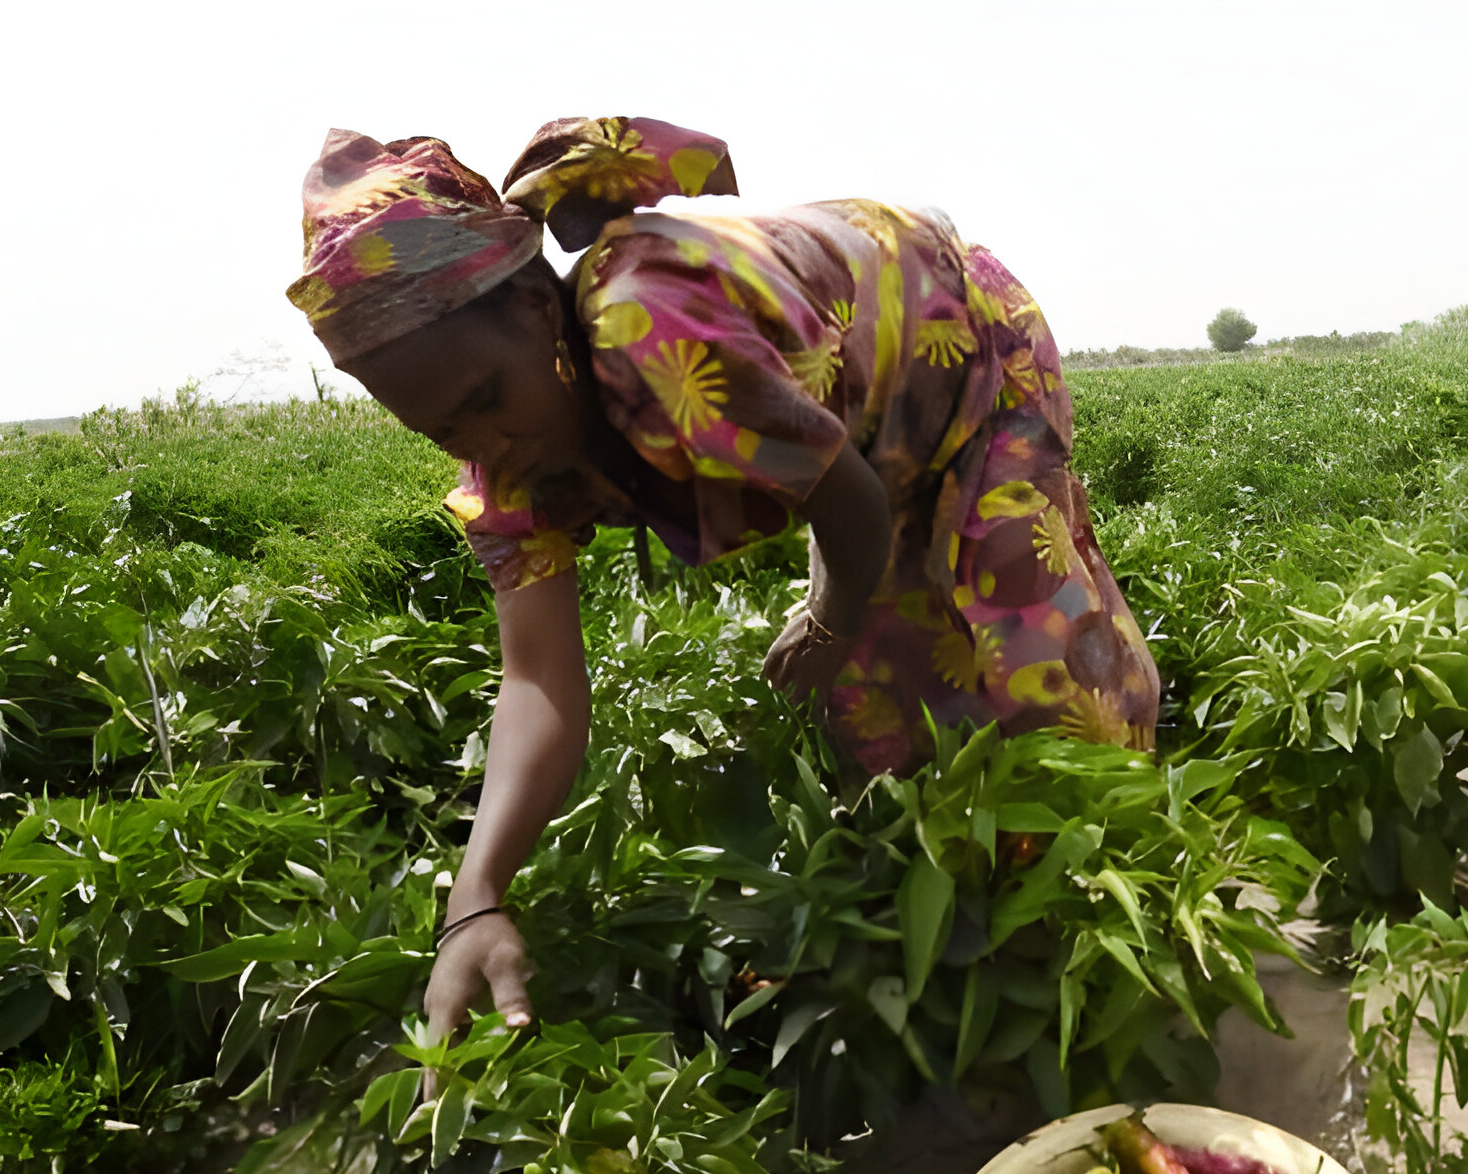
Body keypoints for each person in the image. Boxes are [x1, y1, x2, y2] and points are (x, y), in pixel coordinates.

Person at [287, 117, 1161, 1041]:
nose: (487, 444)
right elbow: (537, 680)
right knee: (883, 708)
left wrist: (828, 619)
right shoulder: (507, 477)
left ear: (540, 316)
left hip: (964, 348)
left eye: (488, 399)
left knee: (1035, 648)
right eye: (445, 432)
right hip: (853, 431)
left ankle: (1125, 890)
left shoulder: (648, 329)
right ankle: (976, 936)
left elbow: (853, 505)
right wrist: (476, 897)